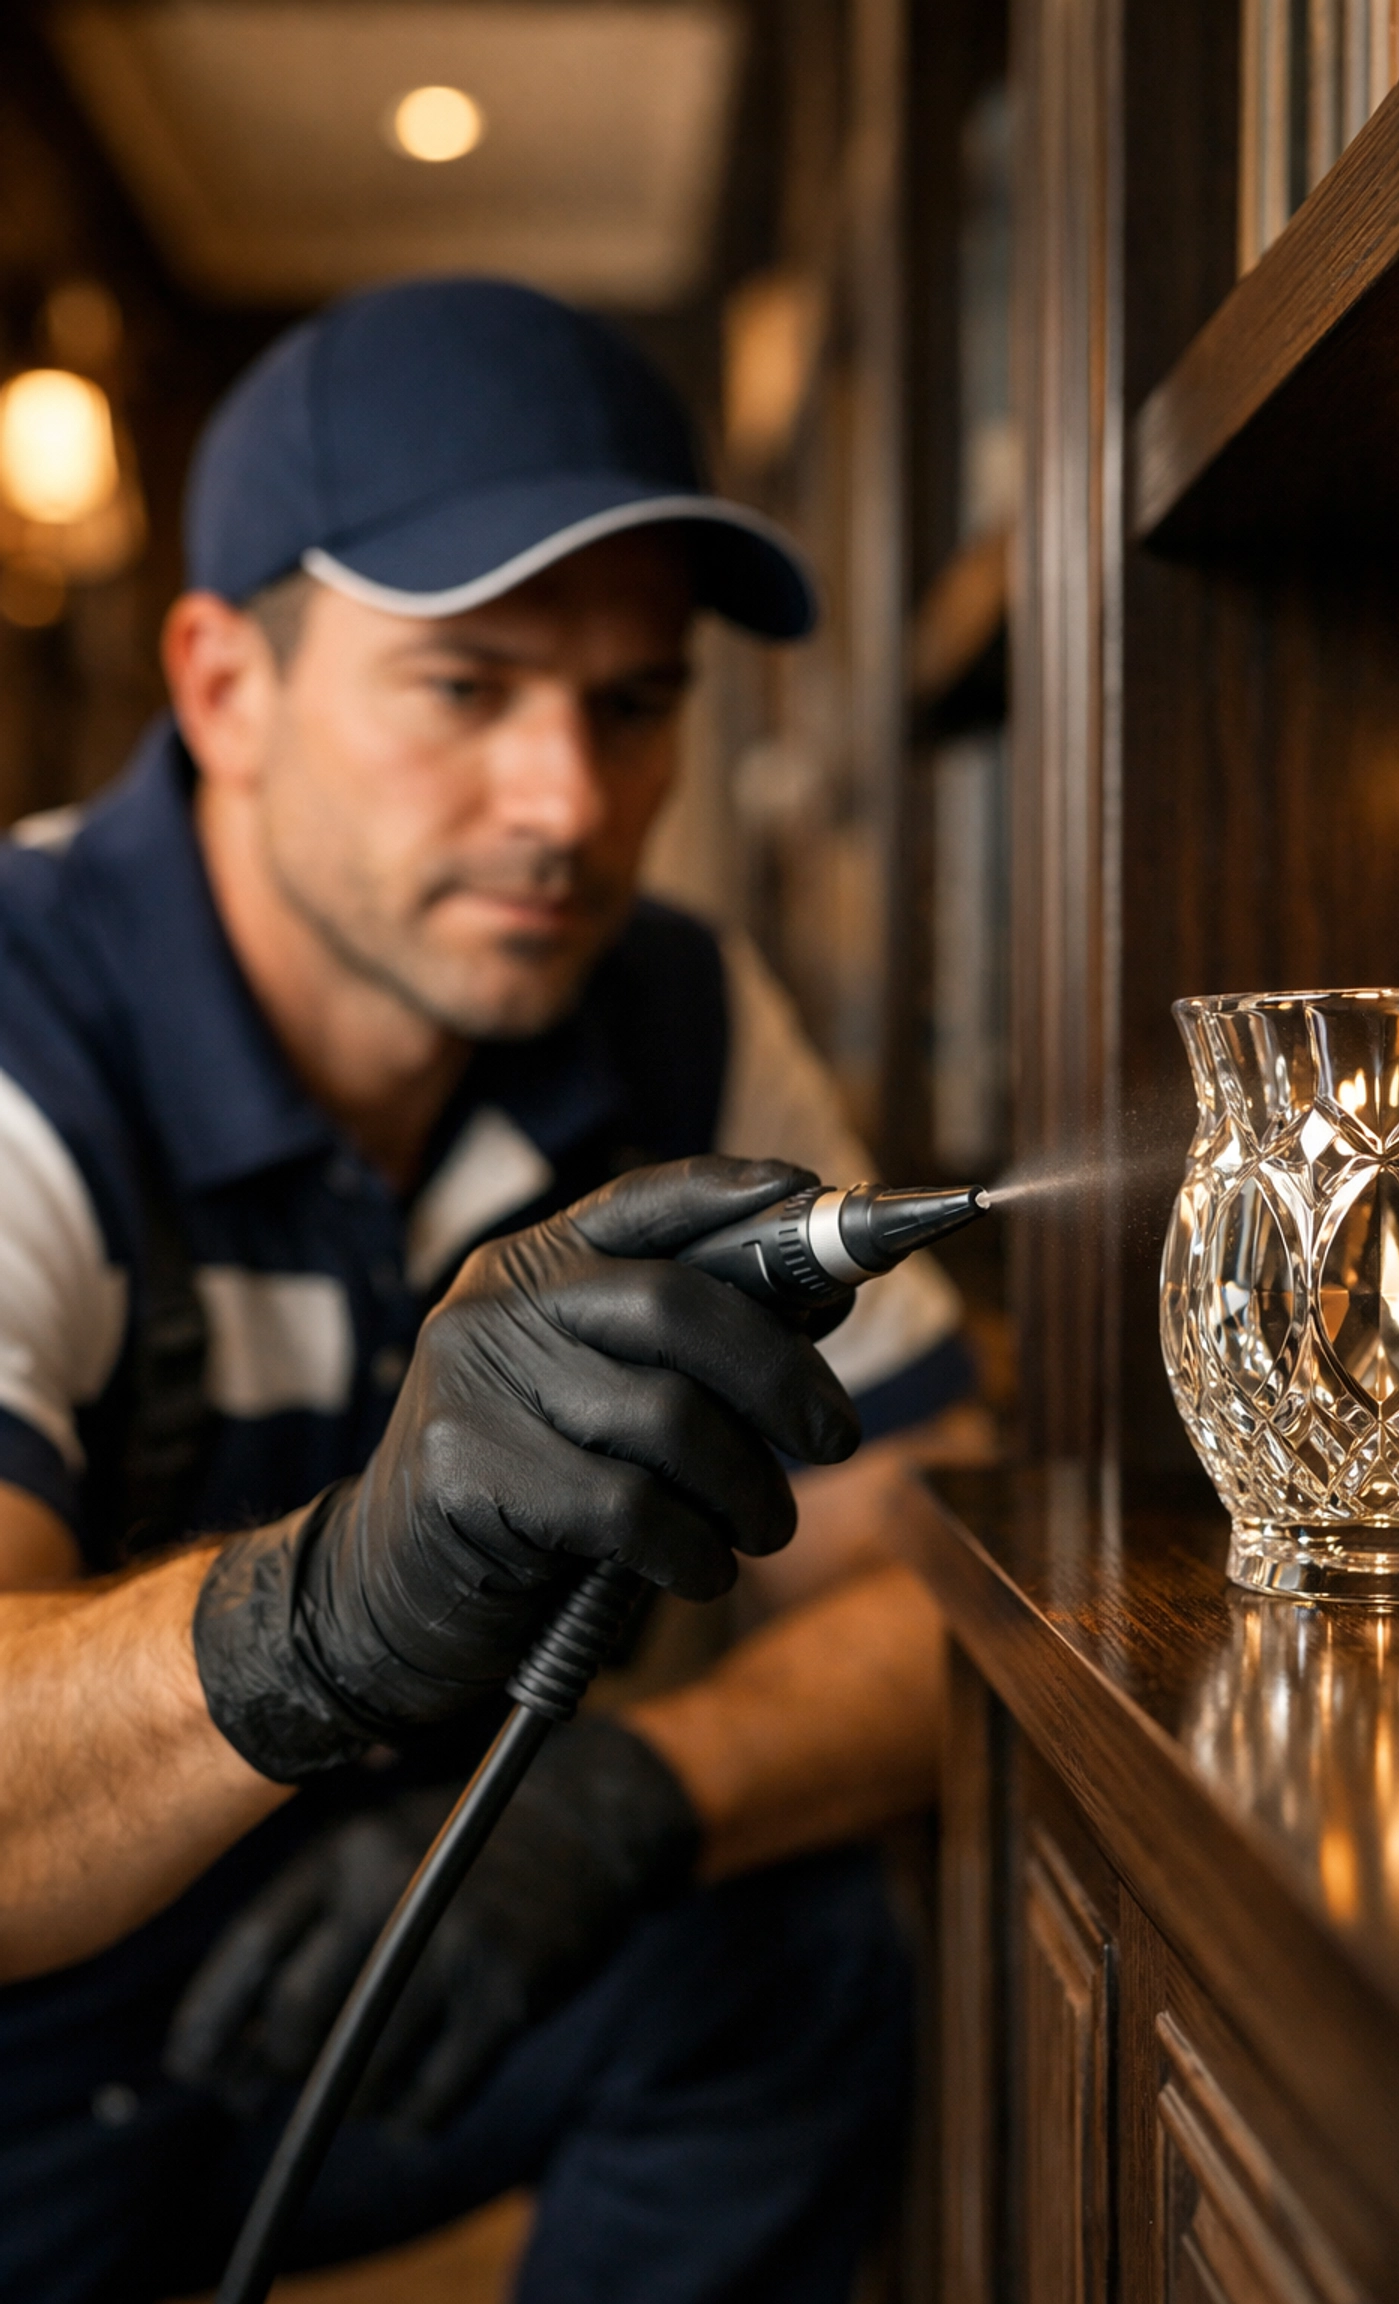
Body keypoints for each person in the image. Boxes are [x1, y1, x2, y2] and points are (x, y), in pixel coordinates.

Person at [0, 278, 977, 2304]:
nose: (566, 806)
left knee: (795, 1976)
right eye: (466, 685)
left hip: (363, 1987)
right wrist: (321, 1617)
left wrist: (634, 1795)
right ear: (220, 687)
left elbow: (951, 1569)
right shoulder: (32, 1028)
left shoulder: (674, 1019)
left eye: (635, 705)